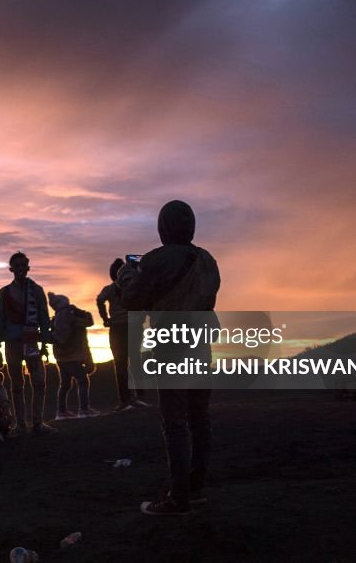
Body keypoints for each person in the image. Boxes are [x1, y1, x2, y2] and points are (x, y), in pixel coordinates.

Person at [118, 199, 220, 516]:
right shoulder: (208, 260)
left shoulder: (156, 260)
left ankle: (179, 496)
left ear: (163, 227)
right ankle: (196, 487)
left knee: (175, 422)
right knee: (199, 419)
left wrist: (125, 278)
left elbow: (133, 300)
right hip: (201, 344)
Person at [0, 251, 56, 436]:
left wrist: (45, 343)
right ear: (11, 269)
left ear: (27, 268)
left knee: (38, 382)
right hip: (12, 343)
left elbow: (44, 318)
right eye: (17, 266)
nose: (20, 269)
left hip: (32, 342)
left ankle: (37, 422)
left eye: (23, 265)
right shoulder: (4, 294)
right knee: (16, 385)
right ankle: (20, 424)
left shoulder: (36, 291)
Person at [97, 258, 149, 411]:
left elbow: (99, 300)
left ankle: (125, 400)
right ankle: (140, 398)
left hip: (117, 327)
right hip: (134, 326)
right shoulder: (135, 287)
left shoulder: (110, 289)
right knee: (136, 360)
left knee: (120, 364)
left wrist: (105, 318)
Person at [50, 292, 100, 420]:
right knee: (83, 381)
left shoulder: (55, 319)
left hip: (60, 357)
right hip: (74, 355)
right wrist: (82, 312)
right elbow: (89, 322)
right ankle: (84, 409)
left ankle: (61, 412)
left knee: (65, 384)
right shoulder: (72, 315)